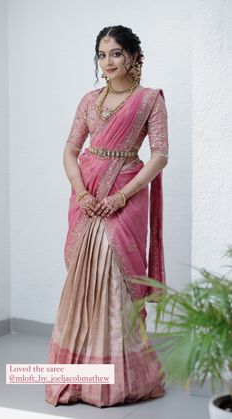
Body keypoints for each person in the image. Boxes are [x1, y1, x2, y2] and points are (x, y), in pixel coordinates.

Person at [45, 25, 169, 408]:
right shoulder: (89, 100)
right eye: (102, 55)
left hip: (126, 197)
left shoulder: (150, 99)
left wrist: (122, 196)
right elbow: (69, 150)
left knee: (117, 280)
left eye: (116, 53)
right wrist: (82, 192)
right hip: (87, 196)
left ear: (134, 56)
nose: (108, 62)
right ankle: (79, 378)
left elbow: (160, 154)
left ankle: (120, 380)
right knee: (84, 281)